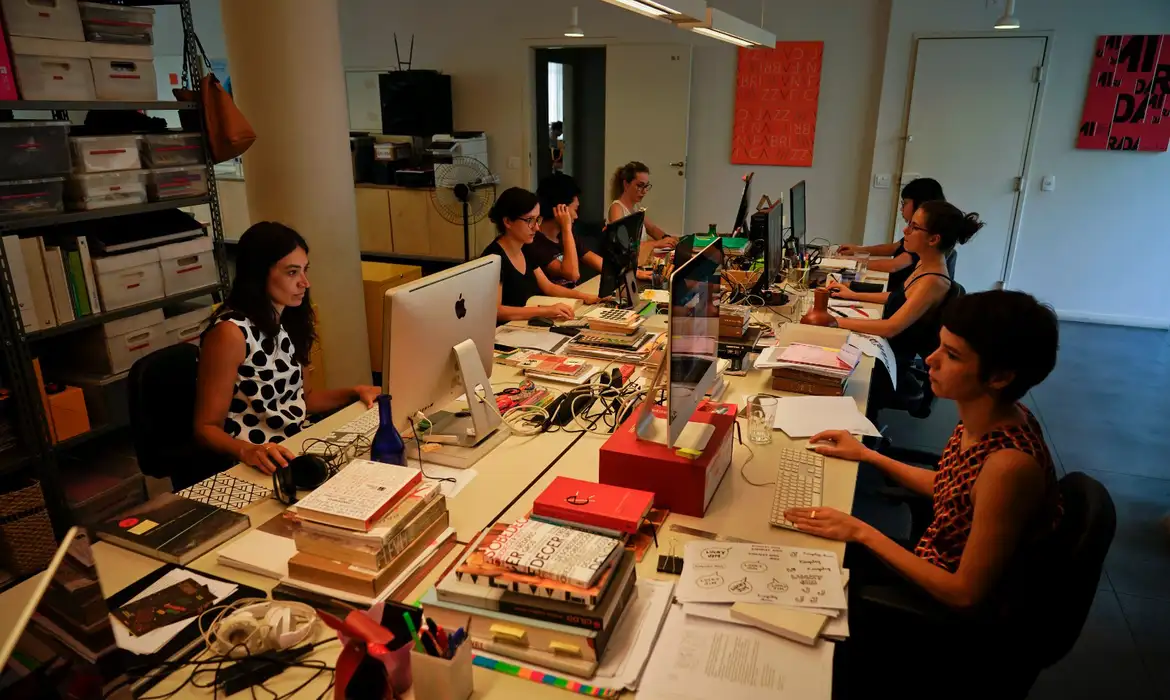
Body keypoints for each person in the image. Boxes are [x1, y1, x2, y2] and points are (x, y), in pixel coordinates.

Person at [785, 290, 1062, 696]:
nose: (930, 360)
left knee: (799, 584)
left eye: (952, 355)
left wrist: (861, 531)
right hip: (931, 561)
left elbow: (964, 594)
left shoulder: (1008, 467)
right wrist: (867, 455)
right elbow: (952, 487)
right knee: (809, 547)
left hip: (944, 617)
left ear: (1000, 377)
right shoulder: (987, 417)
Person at [194, 222, 380, 476]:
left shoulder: (288, 319)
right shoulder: (230, 333)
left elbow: (304, 400)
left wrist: (354, 392)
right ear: (259, 274)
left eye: (305, 270)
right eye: (292, 272)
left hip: (295, 445)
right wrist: (247, 451)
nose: (305, 282)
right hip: (258, 460)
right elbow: (206, 428)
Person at [828, 202, 980, 400]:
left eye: (914, 227)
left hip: (889, 361)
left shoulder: (933, 281)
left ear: (933, 239)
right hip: (884, 346)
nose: (905, 230)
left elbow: (891, 327)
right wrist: (852, 295)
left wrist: (834, 321)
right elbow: (898, 297)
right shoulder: (924, 264)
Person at [482, 187, 599, 323]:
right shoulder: (493, 258)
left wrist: (586, 297)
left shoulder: (525, 248)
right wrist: (547, 310)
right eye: (529, 220)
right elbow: (496, 311)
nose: (536, 227)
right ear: (508, 221)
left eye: (537, 219)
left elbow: (548, 287)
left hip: (525, 324)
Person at [838, 178, 945, 291]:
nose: (901, 208)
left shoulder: (923, 238)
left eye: (904, 203)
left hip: (896, 292)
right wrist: (858, 250)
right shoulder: (917, 232)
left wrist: (852, 262)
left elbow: (893, 266)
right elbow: (894, 247)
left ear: (920, 204)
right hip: (894, 292)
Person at [529, 173, 604, 283]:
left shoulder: (565, 234)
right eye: (575, 210)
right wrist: (566, 228)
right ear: (561, 209)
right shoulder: (535, 241)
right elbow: (572, 274)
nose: (576, 216)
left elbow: (599, 263)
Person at [607, 161, 678, 253]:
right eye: (640, 186)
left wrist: (668, 239)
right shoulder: (617, 208)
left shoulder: (636, 208)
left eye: (646, 186)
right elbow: (623, 244)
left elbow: (652, 229)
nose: (644, 191)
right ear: (626, 184)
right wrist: (656, 243)